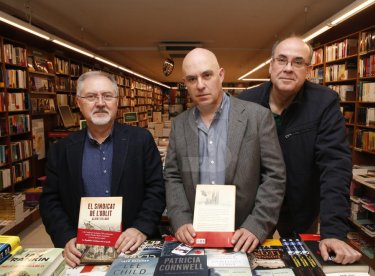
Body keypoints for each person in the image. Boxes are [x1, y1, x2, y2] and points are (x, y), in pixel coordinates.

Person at [238, 36, 361, 264]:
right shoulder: (245, 102)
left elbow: (335, 166)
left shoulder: (324, 102)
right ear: (271, 65)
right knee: (245, 262)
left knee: (305, 261)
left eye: (297, 62)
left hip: (302, 203)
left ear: (309, 70)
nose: (287, 68)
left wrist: (333, 231)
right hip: (254, 204)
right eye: (281, 60)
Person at [164, 48, 286, 253]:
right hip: (195, 235)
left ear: (221, 75)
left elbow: (274, 176)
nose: (200, 85)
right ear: (185, 83)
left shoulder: (257, 117)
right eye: (192, 79)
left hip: (245, 235)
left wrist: (256, 225)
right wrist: (180, 219)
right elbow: (173, 175)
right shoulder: (180, 124)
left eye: (207, 75)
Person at [40, 71, 165, 267]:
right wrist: (66, 237)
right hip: (83, 252)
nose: (100, 102)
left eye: (107, 96)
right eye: (91, 96)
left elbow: (156, 188)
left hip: (134, 246)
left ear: (117, 101)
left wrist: (140, 228)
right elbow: (50, 200)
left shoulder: (141, 140)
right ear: (79, 103)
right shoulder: (62, 149)